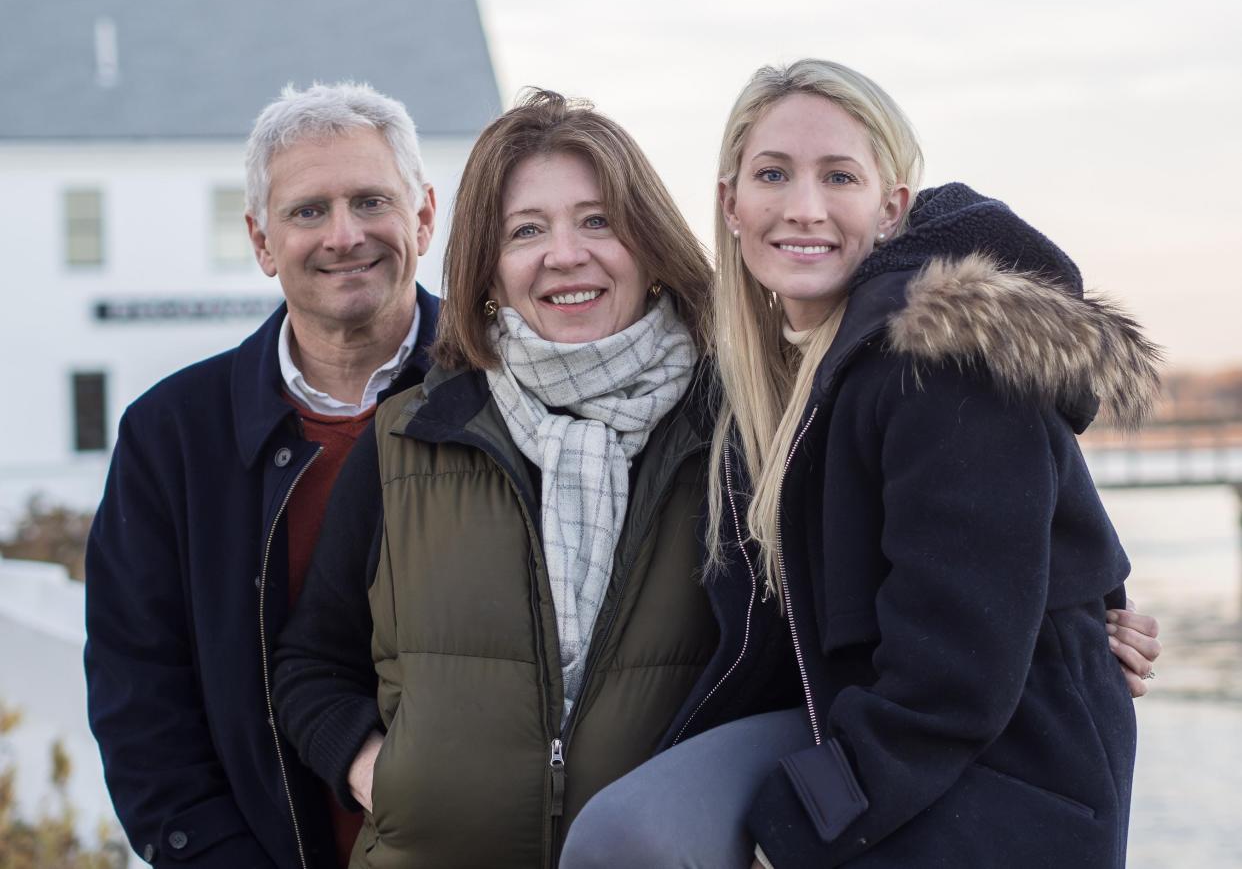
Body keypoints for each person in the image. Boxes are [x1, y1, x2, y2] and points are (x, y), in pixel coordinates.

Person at [561, 59, 1162, 869]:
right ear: (731, 204)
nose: (803, 207)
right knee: (624, 830)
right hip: (878, 752)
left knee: (627, 838)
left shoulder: (942, 362)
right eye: (773, 174)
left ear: (890, 211)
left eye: (838, 176)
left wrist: (798, 830)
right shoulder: (775, 385)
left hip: (1006, 788)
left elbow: (952, 676)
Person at [272, 89, 734, 868]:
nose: (565, 254)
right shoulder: (407, 436)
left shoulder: (733, 433)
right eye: (527, 230)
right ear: (487, 268)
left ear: (650, 245)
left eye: (598, 220)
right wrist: (380, 774)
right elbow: (311, 664)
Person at [84, 82, 439, 869]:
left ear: (423, 215)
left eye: (371, 201)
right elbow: (142, 705)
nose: (344, 235)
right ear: (260, 240)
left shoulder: (507, 395)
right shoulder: (168, 437)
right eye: (308, 211)